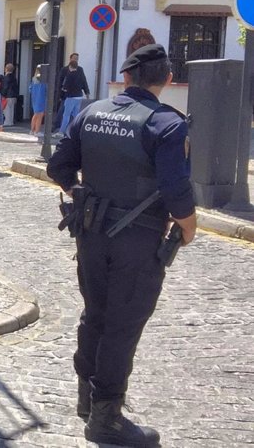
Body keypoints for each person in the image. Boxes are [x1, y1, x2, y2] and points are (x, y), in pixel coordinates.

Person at [46, 44, 197, 447]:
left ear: (126, 77)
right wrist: (189, 226)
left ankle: (87, 400)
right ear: (166, 80)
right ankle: (106, 419)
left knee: (94, 313)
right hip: (138, 241)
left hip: (91, 234)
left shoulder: (91, 112)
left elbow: (57, 166)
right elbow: (175, 188)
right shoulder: (166, 122)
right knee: (122, 325)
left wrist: (82, 194)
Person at [54, 53, 87, 133]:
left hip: (70, 95)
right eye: (74, 58)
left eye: (77, 59)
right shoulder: (65, 70)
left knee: (67, 114)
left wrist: (87, 91)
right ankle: (69, 129)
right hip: (74, 95)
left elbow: (83, 81)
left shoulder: (77, 71)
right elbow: (60, 81)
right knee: (68, 112)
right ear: (70, 58)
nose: (75, 60)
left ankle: (62, 131)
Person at [28, 65, 46, 136]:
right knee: (40, 115)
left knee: (35, 114)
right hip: (41, 98)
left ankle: (32, 130)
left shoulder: (34, 79)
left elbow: (30, 89)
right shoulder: (43, 80)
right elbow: (46, 90)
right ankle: (37, 131)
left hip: (34, 98)